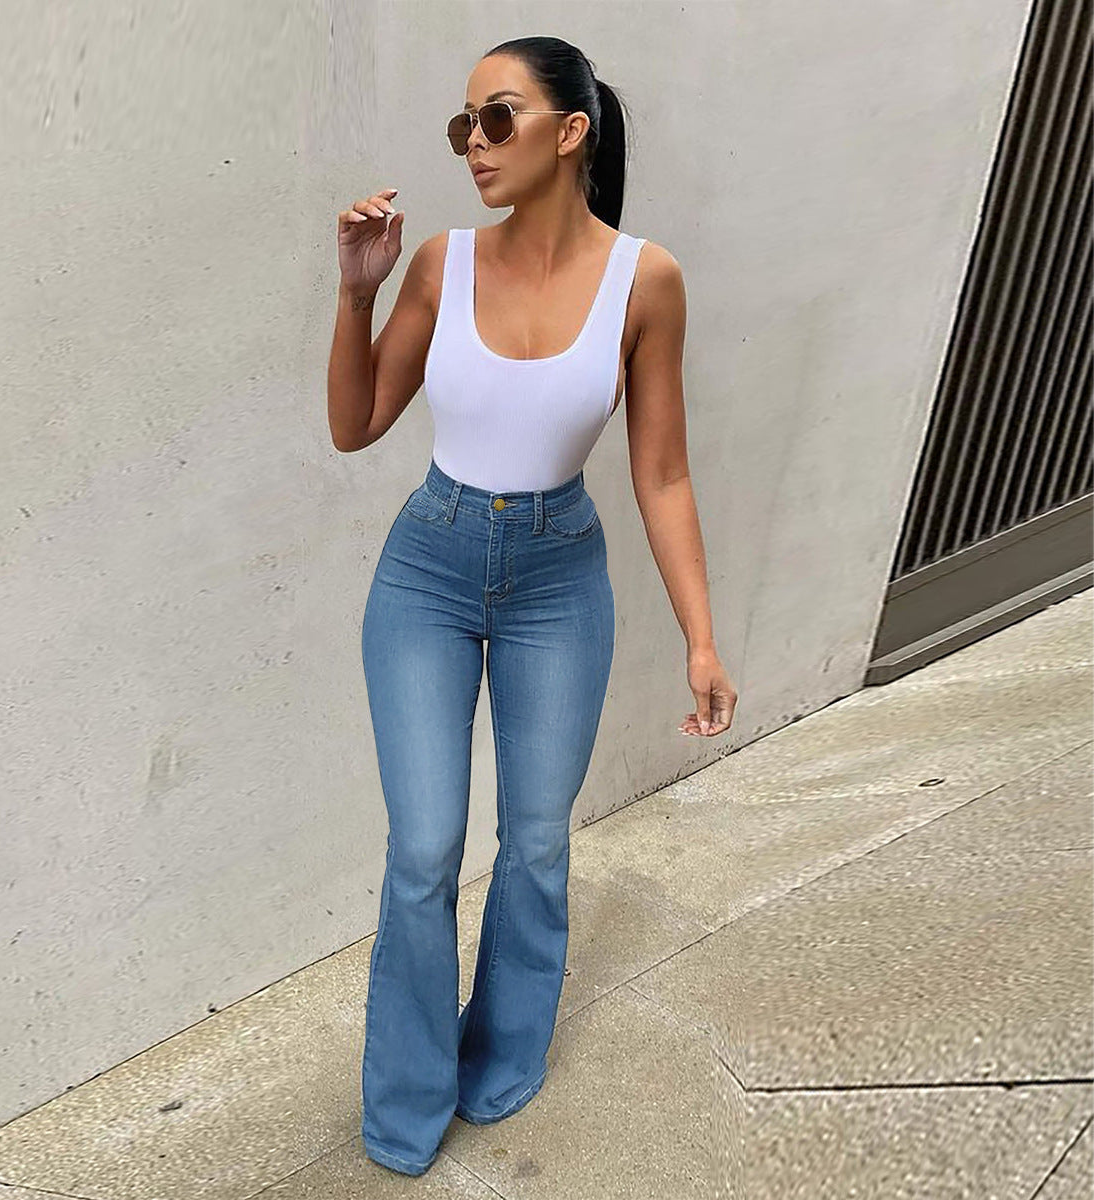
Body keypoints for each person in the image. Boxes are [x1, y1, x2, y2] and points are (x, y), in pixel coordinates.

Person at [328, 34, 738, 1177]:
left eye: (496, 117)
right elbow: (355, 424)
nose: (472, 144)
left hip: (560, 576)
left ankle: (501, 1055)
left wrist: (703, 637)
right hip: (429, 565)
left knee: (539, 844)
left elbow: (663, 472)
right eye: (462, 123)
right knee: (424, 849)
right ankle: (407, 1098)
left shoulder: (644, 279)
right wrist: (354, 296)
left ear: (572, 131)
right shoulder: (439, 266)